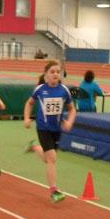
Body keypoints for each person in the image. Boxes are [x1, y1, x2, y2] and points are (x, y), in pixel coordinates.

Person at [23, 60, 76, 203]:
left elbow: (72, 109)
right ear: (46, 74)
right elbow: (29, 103)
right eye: (52, 72)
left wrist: (70, 121)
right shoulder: (40, 89)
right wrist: (27, 118)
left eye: (58, 72)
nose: (55, 74)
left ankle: (35, 147)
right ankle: (54, 191)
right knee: (52, 159)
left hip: (57, 129)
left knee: (48, 159)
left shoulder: (64, 90)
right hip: (43, 128)